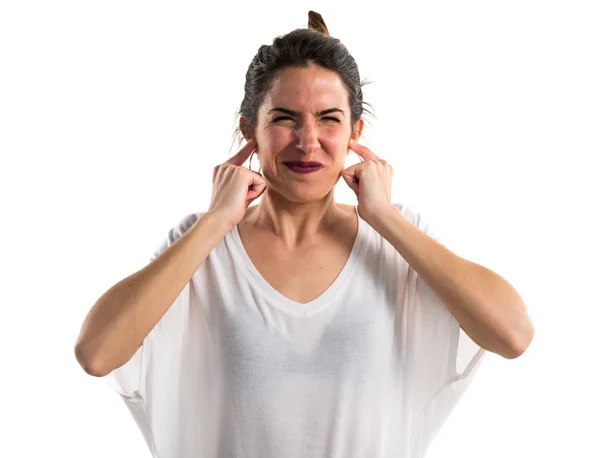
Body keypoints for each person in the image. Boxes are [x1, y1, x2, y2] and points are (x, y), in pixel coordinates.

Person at [74, 10, 533, 458]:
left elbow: (513, 335)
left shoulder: (396, 241)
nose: (308, 141)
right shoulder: (200, 244)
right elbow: (96, 354)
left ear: (356, 132)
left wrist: (386, 218)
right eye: (284, 118)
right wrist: (215, 221)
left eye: (329, 119)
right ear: (249, 130)